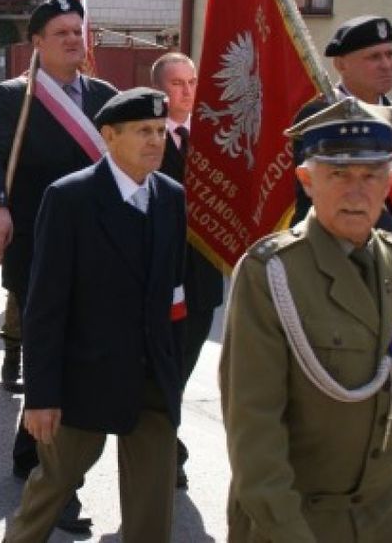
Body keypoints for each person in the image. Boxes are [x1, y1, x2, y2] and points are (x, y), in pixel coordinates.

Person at [221, 97, 392, 542]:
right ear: (306, 180)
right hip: (297, 519)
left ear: (390, 182)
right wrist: (287, 530)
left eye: (371, 175)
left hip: (387, 518)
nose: (357, 192)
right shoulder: (272, 274)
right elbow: (255, 431)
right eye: (338, 175)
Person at [4, 87, 187, 542]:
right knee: (50, 492)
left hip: (151, 382)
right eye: (143, 131)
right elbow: (44, 306)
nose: (155, 141)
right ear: (109, 135)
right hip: (84, 380)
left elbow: (171, 295)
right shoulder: (71, 198)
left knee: (151, 512)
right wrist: (41, 395)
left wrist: (172, 368)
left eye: (161, 131)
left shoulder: (171, 197)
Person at [0, 0, 117, 535]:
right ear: (36, 44)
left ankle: (27, 447)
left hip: (96, 253)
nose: (74, 39)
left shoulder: (105, 96)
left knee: (68, 359)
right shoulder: (16, 96)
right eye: (61, 33)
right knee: (49, 352)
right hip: (37, 247)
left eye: (79, 30)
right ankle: (59, 487)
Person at [293, 15, 392, 306]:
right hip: (334, 267)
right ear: (341, 64)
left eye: (390, 54)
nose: (386, 64)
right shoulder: (319, 117)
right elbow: (315, 202)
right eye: (373, 57)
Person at [150, 51, 226, 490]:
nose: (186, 90)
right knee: (164, 363)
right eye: (177, 83)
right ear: (161, 90)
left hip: (202, 276)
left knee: (183, 363)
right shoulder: (151, 137)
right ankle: (164, 444)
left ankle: (164, 436)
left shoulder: (216, 140)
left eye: (192, 81)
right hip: (163, 274)